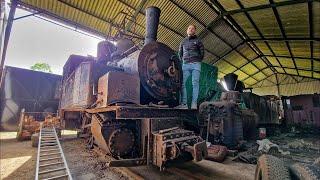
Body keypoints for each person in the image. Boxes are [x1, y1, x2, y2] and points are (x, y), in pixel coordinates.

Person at [176, 24, 204, 109]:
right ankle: (184, 104)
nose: (191, 29)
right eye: (189, 28)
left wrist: (197, 60)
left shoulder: (198, 41)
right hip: (186, 65)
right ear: (187, 30)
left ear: (195, 31)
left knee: (195, 84)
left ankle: (194, 104)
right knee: (182, 83)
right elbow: (180, 53)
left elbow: (202, 52)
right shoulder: (183, 41)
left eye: (193, 28)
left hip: (196, 64)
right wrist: (184, 61)